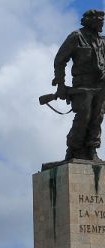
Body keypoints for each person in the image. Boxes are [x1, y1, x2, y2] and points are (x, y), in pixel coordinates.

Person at [53, 9, 105, 161]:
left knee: (97, 118)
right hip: (83, 86)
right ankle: (74, 149)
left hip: (101, 87)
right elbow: (60, 60)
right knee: (84, 116)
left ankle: (92, 150)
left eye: (103, 20)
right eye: (99, 20)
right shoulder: (77, 37)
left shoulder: (103, 41)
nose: (102, 23)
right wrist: (61, 84)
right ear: (89, 20)